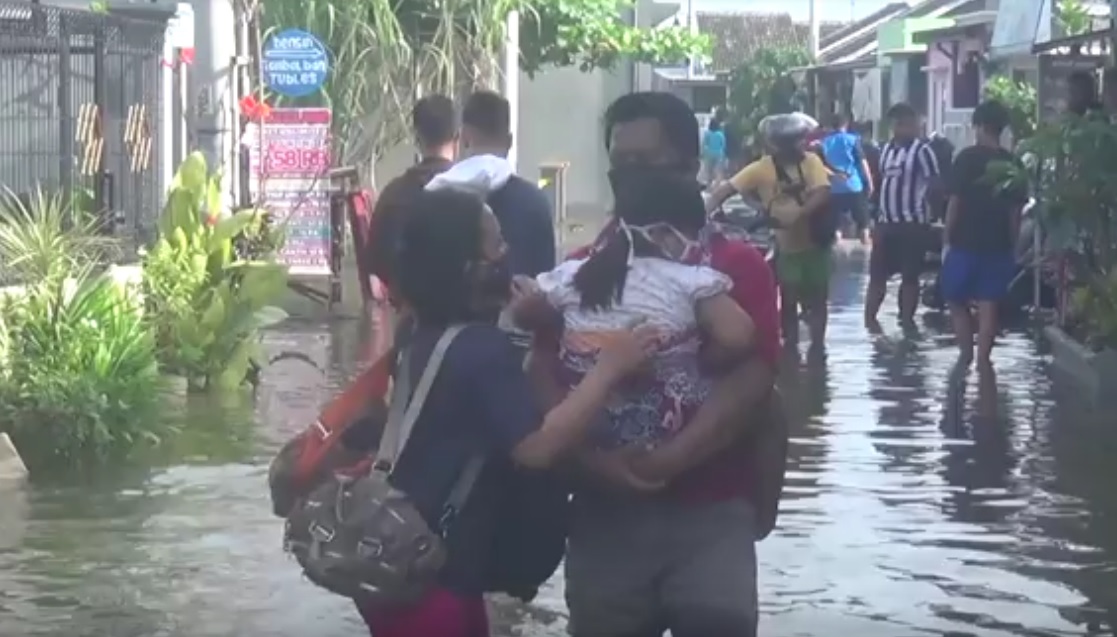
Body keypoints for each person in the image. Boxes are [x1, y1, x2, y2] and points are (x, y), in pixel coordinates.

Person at [350, 187, 658, 637]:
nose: (506, 252)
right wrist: (610, 368)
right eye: (495, 244)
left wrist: (534, 334)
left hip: (401, 562)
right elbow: (536, 449)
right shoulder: (483, 350)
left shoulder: (418, 332)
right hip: (438, 582)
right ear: (467, 267)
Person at [554, 91, 784, 637]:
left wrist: (672, 458)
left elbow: (756, 379)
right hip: (604, 513)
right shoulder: (579, 272)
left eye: (645, 163)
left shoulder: (735, 267)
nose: (627, 176)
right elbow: (542, 378)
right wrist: (595, 462)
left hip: (712, 512)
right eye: (619, 163)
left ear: (688, 165)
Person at [514, 173, 755, 452]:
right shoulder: (690, 281)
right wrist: (701, 357)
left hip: (582, 418)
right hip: (661, 424)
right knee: (746, 395)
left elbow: (525, 312)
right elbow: (740, 336)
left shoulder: (573, 275)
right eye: (691, 234)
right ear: (660, 234)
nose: (695, 244)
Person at [707, 113, 832, 346]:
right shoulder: (760, 169)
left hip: (816, 243)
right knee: (788, 299)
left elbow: (822, 191)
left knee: (819, 299)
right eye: (791, 141)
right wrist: (700, 216)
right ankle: (791, 348)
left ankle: (818, 350)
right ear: (776, 144)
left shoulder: (811, 162)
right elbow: (724, 191)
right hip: (787, 248)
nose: (798, 146)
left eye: (798, 140)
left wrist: (800, 214)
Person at [941, 100, 1028, 367]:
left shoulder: (966, 158)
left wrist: (946, 238)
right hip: (999, 243)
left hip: (964, 242)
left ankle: (966, 354)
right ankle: (983, 362)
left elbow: (955, 202)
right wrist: (1013, 246)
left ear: (978, 126)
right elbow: (1016, 213)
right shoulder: (1012, 163)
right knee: (990, 303)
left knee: (955, 299)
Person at [458, 90, 555, 278]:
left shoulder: (439, 197)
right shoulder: (535, 202)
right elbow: (545, 279)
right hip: (518, 304)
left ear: (463, 139)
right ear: (509, 141)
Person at [367, 95, 458, 297]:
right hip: (463, 316)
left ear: (417, 139)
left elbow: (376, 263)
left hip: (408, 314)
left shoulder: (393, 195)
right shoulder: (474, 193)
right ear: (458, 139)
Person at [864, 102, 941, 329]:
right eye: (901, 124)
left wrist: (931, 216)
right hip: (887, 224)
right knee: (877, 276)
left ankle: (906, 323)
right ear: (895, 126)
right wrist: (875, 219)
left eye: (910, 124)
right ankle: (870, 323)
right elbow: (880, 186)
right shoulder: (886, 150)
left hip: (912, 224)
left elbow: (935, 184)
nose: (907, 128)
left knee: (910, 277)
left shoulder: (923, 151)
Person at [820, 113, 873, 243]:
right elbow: (862, 162)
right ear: (846, 125)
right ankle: (865, 246)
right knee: (863, 222)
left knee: (837, 226)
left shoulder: (825, 142)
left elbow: (821, 165)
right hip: (854, 185)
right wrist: (870, 181)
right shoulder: (853, 139)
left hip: (834, 188)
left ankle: (837, 255)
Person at [701, 118, 728, 186]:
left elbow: (704, 144)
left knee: (709, 171)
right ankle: (716, 186)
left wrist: (703, 152)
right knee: (718, 171)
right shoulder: (720, 134)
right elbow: (723, 144)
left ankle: (708, 185)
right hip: (719, 154)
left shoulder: (708, 133)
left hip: (709, 154)